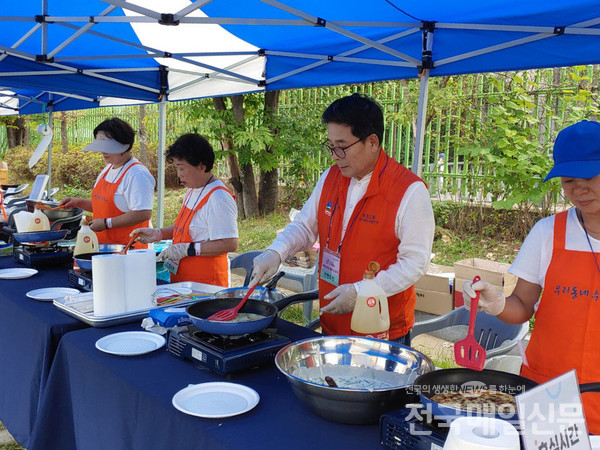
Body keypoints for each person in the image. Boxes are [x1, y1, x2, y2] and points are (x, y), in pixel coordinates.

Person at [249, 93, 435, 343]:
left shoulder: (409, 190)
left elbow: (415, 262)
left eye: (342, 146)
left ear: (372, 142)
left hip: (382, 331)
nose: (335, 155)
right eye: (330, 145)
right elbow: (305, 226)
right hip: (333, 321)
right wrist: (275, 253)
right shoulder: (330, 177)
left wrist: (360, 291)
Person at [462, 120, 600, 434]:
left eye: (590, 176)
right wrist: (496, 303)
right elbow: (522, 305)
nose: (578, 190)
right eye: (568, 180)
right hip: (550, 388)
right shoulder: (548, 233)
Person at [132, 133, 238, 287]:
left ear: (201, 166)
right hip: (183, 281)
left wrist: (188, 249)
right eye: (176, 168)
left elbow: (230, 243)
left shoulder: (218, 197)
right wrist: (158, 233)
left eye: (182, 168)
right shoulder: (192, 190)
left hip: (207, 285)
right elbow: (186, 228)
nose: (178, 175)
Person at [59, 118, 155, 248]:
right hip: (103, 247)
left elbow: (143, 213)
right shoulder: (108, 169)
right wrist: (78, 202)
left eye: (107, 147)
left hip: (128, 250)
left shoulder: (137, 174)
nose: (103, 152)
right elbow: (104, 206)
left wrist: (106, 223)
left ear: (123, 145)